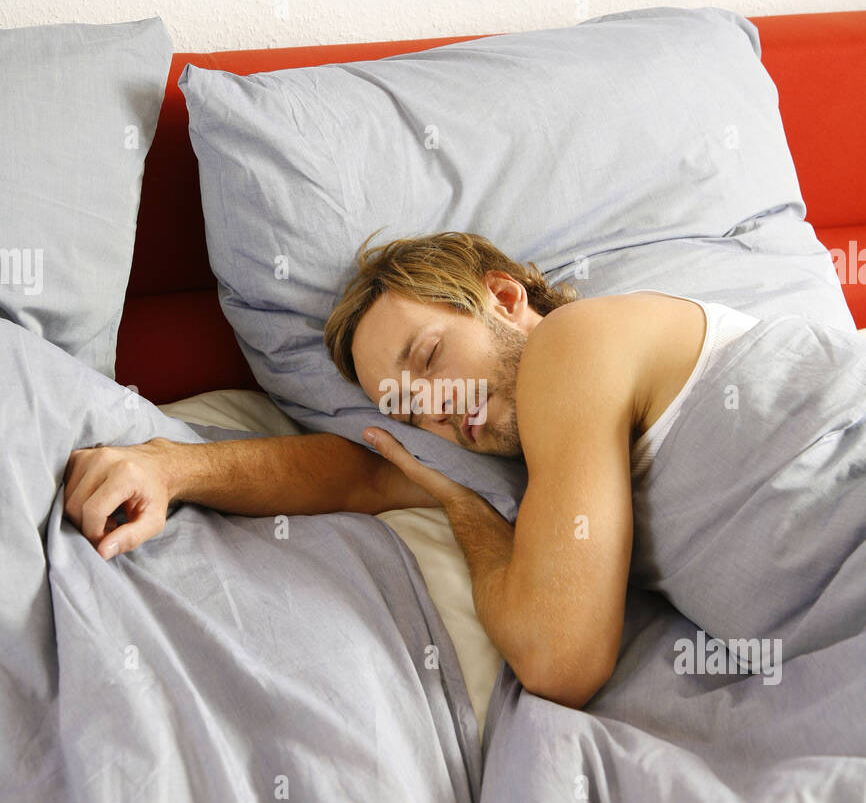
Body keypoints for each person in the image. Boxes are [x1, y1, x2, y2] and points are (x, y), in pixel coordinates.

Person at [63, 230, 770, 708]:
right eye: (410, 410)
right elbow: (359, 476)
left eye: (429, 357)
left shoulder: (574, 344)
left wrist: (468, 515)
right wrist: (171, 467)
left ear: (504, 298)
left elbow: (560, 660)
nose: (438, 408)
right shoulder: (549, 452)